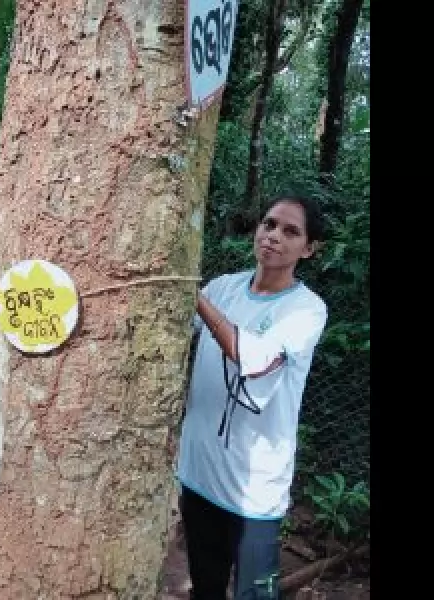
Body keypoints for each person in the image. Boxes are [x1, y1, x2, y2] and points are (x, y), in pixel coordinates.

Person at [176, 195, 329, 600]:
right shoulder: (224, 288)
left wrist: (192, 294)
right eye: (269, 224)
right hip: (200, 472)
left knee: (255, 594)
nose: (274, 235)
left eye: (290, 231)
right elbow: (173, 328)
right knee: (205, 587)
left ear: (310, 249)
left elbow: (253, 359)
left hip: (254, 487)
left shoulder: (306, 310)